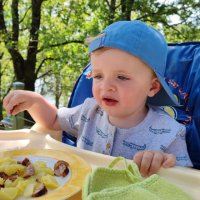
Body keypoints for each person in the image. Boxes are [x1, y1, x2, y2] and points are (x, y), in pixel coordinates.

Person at [3, 20, 192, 177]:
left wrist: (163, 163)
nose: (105, 86)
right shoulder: (88, 112)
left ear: (152, 87)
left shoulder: (169, 133)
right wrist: (35, 101)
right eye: (98, 76)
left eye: (122, 77)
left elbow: (187, 183)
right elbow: (53, 120)